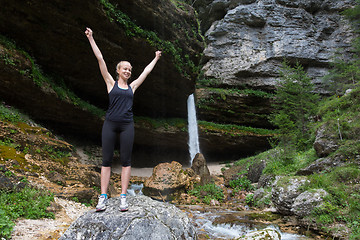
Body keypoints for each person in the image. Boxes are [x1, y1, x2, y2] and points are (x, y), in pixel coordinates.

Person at [85, 27, 161, 212]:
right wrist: (91, 38)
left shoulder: (132, 87)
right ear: (118, 71)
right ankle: (103, 197)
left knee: (126, 160)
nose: (128, 71)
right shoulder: (110, 83)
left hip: (127, 125)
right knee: (106, 160)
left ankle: (123, 197)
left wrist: (156, 58)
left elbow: (146, 72)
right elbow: (100, 59)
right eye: (124, 69)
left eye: (129, 69)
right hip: (110, 124)